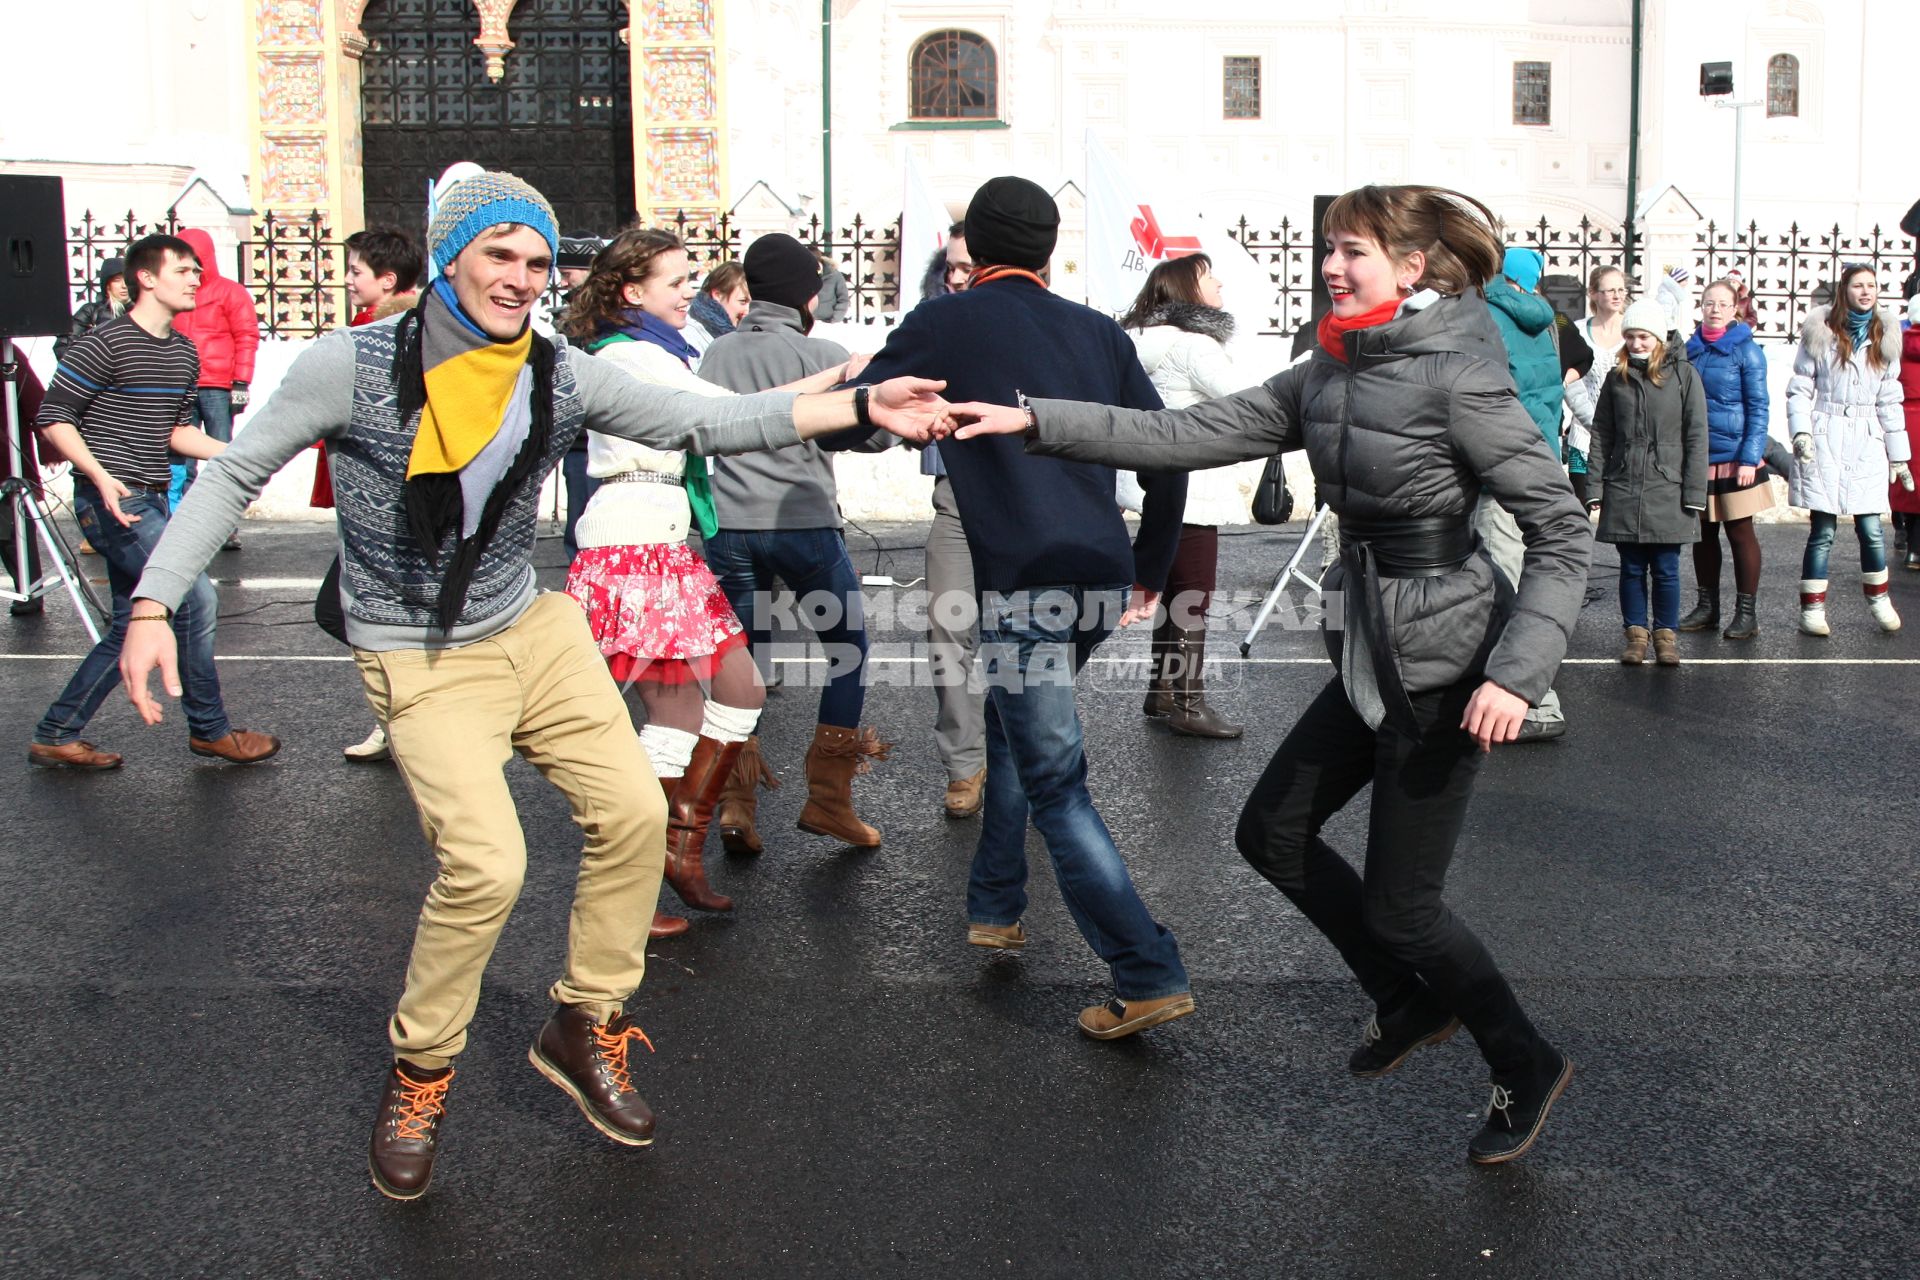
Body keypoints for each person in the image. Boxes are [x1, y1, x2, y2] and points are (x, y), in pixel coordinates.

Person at [113, 171, 948, 1201]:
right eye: (497, 252)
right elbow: (238, 476)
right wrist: (152, 606)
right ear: (451, 254)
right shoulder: (353, 363)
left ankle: (583, 1018)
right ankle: (421, 1072)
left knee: (636, 814)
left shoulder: (559, 371)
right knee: (489, 866)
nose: (518, 276)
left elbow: (711, 420)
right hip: (417, 651)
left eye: (535, 259)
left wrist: (861, 402)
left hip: (531, 623)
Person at [952, 184, 1592, 1160]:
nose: (1332, 267)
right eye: (1329, 248)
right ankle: (1404, 999)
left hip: (1452, 661)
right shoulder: (1330, 368)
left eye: (1356, 253)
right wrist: (1034, 422)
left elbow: (1558, 528)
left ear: (1413, 267)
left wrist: (1518, 668)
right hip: (1374, 643)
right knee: (1272, 832)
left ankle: (1524, 1059)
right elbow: (1182, 434)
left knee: (1403, 908)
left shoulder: (1459, 372)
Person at [858, 176, 1196, 1040]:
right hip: (1096, 572)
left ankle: (1146, 969)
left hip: (1024, 583)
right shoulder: (1095, 331)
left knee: (1055, 781)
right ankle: (995, 904)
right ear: (1051, 248)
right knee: (1015, 733)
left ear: (975, 244)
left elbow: (861, 418)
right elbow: (1167, 453)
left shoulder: (946, 317)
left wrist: (844, 407)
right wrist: (1150, 567)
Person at [559, 227, 859, 937]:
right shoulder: (631, 354)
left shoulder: (666, 348)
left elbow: (740, 407)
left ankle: (678, 849)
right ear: (633, 291)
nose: (689, 290)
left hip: (662, 538)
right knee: (671, 720)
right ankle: (628, 881)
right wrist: (850, 388)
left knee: (741, 689)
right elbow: (731, 417)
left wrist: (846, 380)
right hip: (631, 542)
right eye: (675, 280)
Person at [26, 233, 280, 770]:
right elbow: (52, 417)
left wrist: (236, 456)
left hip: (154, 497)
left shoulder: (182, 351)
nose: (196, 279)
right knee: (192, 598)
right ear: (146, 278)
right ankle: (210, 730)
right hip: (114, 500)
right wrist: (96, 473)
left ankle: (57, 732)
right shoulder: (105, 343)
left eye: (197, 271)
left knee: (131, 622)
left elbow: (171, 430)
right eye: (184, 270)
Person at [700, 233, 898, 851]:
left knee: (743, 664)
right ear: (808, 294)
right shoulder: (825, 351)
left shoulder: (715, 354)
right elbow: (870, 436)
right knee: (848, 650)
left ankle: (736, 802)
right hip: (804, 524)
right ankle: (829, 800)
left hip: (729, 526)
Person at [1118, 252, 1246, 738]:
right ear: (1186, 291)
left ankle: (1163, 691)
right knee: (1192, 592)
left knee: (1170, 588)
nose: (1219, 283)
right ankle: (1189, 706)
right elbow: (1244, 402)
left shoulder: (1138, 343)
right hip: (1191, 484)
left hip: (1145, 481)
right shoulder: (1195, 346)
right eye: (1209, 277)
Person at [330, 227, 428, 763]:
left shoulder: (397, 332)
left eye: (356, 271)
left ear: (387, 280)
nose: (347, 280)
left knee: (352, 611)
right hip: (378, 499)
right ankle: (401, 718)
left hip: (389, 499)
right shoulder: (377, 326)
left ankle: (408, 718)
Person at [1478, 245, 1567, 743]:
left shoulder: (1487, 314)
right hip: (1541, 458)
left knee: (1500, 579)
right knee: (1530, 573)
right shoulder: (1547, 320)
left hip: (1498, 464)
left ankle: (1535, 701)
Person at [1789, 265, 1909, 635]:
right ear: (1845, 290)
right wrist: (1802, 433)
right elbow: (1800, 388)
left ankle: (1879, 599)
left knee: (1871, 529)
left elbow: (1890, 399)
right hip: (1826, 436)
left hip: (1866, 440)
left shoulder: (1885, 336)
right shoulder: (1821, 333)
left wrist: (1899, 453)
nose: (1866, 291)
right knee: (1822, 530)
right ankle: (1812, 610)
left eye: (1872, 285)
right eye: (1859, 285)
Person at [1588, 299, 1709, 666]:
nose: (1636, 344)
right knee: (1631, 568)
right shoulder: (1616, 377)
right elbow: (1601, 435)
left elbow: (1696, 436)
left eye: (1643, 337)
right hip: (1625, 485)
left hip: (1668, 487)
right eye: (1631, 337)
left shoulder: (1685, 375)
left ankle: (1665, 637)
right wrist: (1595, 489)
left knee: (1667, 568)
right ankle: (1636, 636)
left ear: (1659, 338)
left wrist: (1694, 492)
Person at [917, 220, 988, 819]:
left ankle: (1030, 758)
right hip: (954, 499)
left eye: (969, 264)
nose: (957, 276)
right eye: (951, 266)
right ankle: (965, 764)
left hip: (1025, 501)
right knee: (947, 629)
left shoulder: (1035, 322)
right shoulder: (930, 324)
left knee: (1029, 635)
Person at [1679, 279, 1773, 640]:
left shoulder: (1747, 351)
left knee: (1739, 532)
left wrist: (1750, 457)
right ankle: (1707, 608)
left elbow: (1758, 407)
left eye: (1722, 303)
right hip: (1699, 457)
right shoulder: (1691, 350)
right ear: (1700, 308)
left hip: (1735, 458)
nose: (1715, 309)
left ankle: (1746, 614)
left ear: (1735, 309)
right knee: (1702, 534)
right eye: (1708, 303)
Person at [168, 229, 260, 549]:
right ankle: (182, 524)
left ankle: (225, 526)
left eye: (194, 262)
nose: (191, 271)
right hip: (182, 386)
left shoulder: (230, 293)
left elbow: (246, 335)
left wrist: (241, 382)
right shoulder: (175, 295)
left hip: (219, 388)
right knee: (181, 460)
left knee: (222, 458)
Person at [1564, 266, 1629, 508]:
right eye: (1610, 290)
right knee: (1578, 512)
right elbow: (1570, 381)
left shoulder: (1633, 332)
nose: (1617, 295)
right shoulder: (1578, 330)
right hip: (1583, 434)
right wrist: (1592, 422)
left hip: (1624, 434)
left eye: (1621, 289)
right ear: (1593, 293)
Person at [53, 256, 128, 364]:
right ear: (107, 285)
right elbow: (64, 347)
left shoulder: (143, 312)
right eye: (117, 280)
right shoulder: (91, 312)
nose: (124, 286)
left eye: (127, 280)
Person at [1898, 293, 1920, 571]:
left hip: (1904, 418)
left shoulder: (1898, 345)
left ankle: (1903, 534)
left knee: (1906, 481)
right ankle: (1917, 547)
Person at [686, 260, 748, 351]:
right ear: (718, 295)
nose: (748, 310)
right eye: (743, 301)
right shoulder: (692, 336)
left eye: (753, 302)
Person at [813, 248, 852, 322]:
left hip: (828, 322)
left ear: (819, 261)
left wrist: (835, 319)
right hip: (807, 323)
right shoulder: (801, 274)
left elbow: (843, 299)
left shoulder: (835, 275)